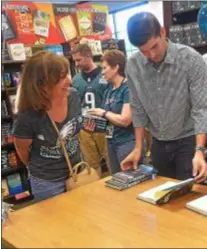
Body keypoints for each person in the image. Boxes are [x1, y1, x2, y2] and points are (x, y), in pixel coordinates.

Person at [121, 12, 207, 182]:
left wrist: (200, 150)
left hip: (187, 141)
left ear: (162, 32)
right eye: (144, 52)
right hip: (158, 143)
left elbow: (201, 108)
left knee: (188, 194)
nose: (152, 55)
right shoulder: (133, 65)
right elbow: (137, 107)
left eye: (154, 47)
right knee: (162, 194)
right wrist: (138, 147)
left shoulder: (191, 59)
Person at [13, 51, 82, 202]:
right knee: (55, 222)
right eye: (61, 77)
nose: (69, 81)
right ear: (42, 85)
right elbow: (22, 150)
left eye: (67, 74)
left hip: (77, 170)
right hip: (47, 182)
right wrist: (40, 168)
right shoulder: (27, 115)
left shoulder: (74, 96)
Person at [86, 49, 142, 174]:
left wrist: (103, 113)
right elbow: (108, 121)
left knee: (130, 179)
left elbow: (125, 120)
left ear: (116, 67)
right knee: (116, 180)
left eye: (105, 68)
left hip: (127, 143)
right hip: (111, 142)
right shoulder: (108, 90)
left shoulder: (128, 88)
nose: (102, 72)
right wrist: (94, 125)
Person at [71, 44, 109, 177]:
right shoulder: (75, 80)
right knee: (92, 166)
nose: (76, 64)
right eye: (74, 61)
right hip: (85, 129)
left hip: (105, 127)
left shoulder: (105, 75)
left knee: (112, 163)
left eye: (78, 60)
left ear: (88, 56)